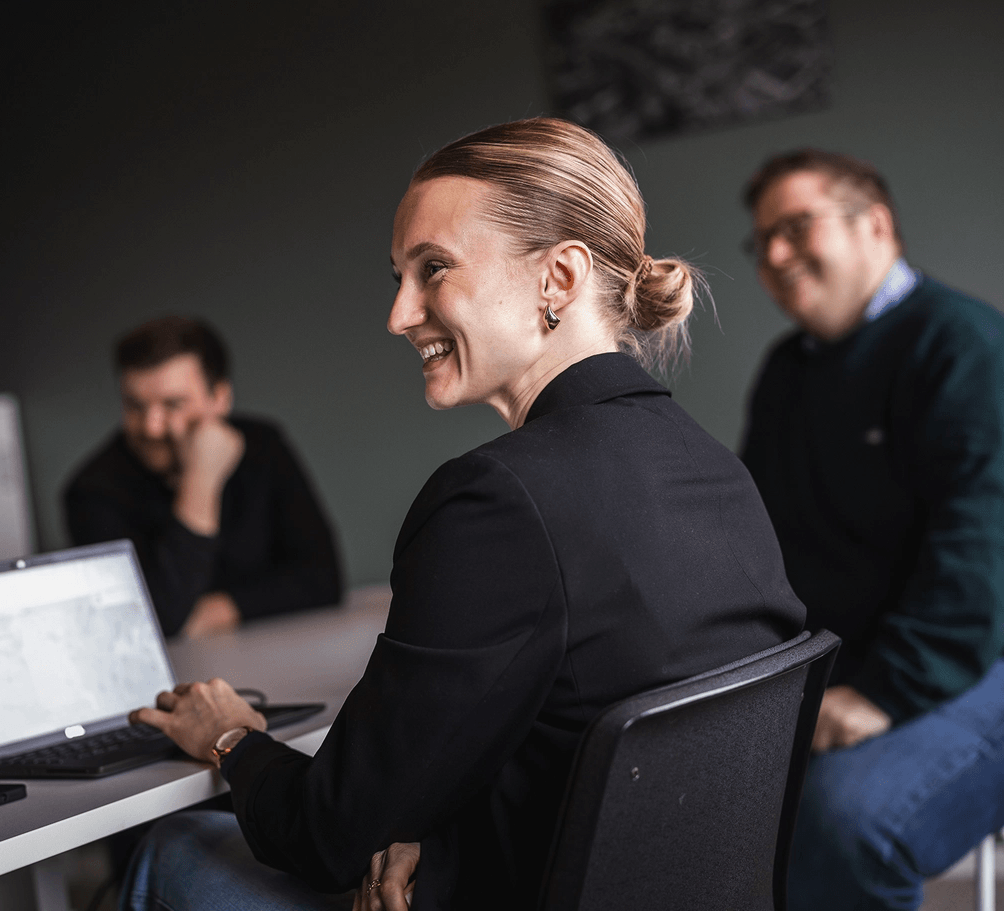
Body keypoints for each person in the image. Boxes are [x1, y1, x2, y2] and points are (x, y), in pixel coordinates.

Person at [117, 118, 806, 911]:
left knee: (176, 847)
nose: (399, 314)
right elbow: (602, 747)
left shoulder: (497, 501)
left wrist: (231, 738)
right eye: (397, 276)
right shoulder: (714, 467)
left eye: (433, 268)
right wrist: (436, 834)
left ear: (560, 278)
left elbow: (323, 832)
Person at [739, 149, 1004, 911]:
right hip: (846, 662)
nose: (777, 255)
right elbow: (758, 538)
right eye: (763, 242)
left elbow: (977, 555)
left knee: (843, 821)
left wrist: (882, 692)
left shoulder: (961, 344)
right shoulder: (787, 370)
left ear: (876, 225)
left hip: (974, 651)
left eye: (796, 227)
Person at [62, 316, 342, 638]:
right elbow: (158, 621)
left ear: (220, 398)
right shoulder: (90, 492)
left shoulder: (264, 446)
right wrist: (201, 480)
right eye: (135, 406)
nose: (152, 427)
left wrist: (219, 610)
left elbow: (324, 579)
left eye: (173, 404)